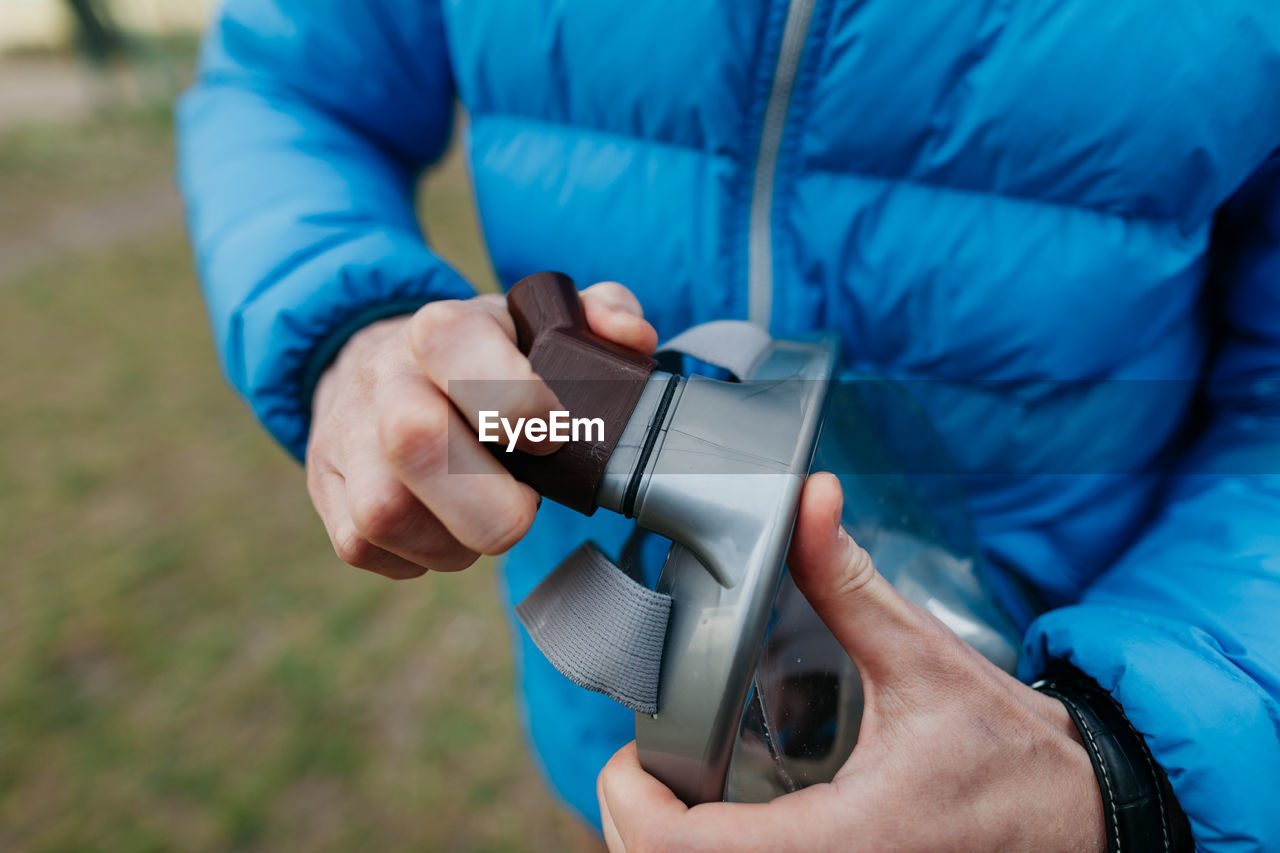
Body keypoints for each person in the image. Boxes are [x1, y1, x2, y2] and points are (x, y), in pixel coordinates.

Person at [176, 1, 1280, 850]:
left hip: (1039, 758)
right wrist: (347, 330)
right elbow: (286, 85)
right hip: (632, 732)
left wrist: (1126, 763)